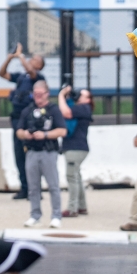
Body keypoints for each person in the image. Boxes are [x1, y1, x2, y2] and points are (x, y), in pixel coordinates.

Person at [15, 80, 67, 229]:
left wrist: (45, 135)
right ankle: (35, 215)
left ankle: (56, 216)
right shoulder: (28, 110)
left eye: (40, 94)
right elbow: (18, 131)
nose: (37, 97)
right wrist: (26, 134)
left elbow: (62, 131)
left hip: (48, 151)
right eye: (35, 94)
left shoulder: (53, 110)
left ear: (47, 93)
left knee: (53, 185)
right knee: (33, 187)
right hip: (31, 151)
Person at [0, 43, 46, 200]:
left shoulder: (38, 78)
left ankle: (35, 189)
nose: (31, 61)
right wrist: (10, 58)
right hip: (17, 118)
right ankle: (24, 188)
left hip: (31, 119)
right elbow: (2, 73)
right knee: (19, 154)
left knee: (32, 154)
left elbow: (31, 72)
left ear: (39, 65)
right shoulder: (20, 77)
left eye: (34, 60)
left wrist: (21, 56)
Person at [57, 86, 93, 217]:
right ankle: (82, 206)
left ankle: (72, 208)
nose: (78, 96)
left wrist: (61, 95)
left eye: (82, 95)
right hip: (76, 148)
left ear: (88, 99)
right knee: (76, 177)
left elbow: (65, 112)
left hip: (75, 148)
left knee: (71, 177)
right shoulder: (80, 108)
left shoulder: (83, 108)